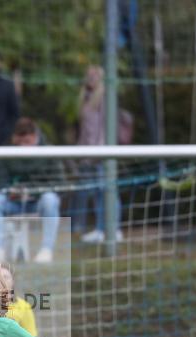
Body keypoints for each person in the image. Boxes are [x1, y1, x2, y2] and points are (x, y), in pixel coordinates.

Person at [0, 118, 63, 264]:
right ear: (15, 138)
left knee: (50, 199)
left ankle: (46, 249)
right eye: (20, 142)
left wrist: (32, 192)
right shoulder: (5, 152)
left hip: (38, 202)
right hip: (13, 202)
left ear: (35, 137)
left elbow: (59, 183)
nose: (24, 146)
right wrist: (11, 191)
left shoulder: (49, 152)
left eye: (27, 142)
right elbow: (0, 182)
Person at [76, 65, 124, 243]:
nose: (91, 78)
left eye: (95, 76)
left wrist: (100, 150)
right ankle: (100, 229)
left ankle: (114, 229)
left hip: (102, 152)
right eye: (89, 75)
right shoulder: (85, 98)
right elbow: (84, 130)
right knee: (96, 192)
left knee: (109, 191)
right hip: (88, 153)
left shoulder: (105, 97)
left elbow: (107, 126)